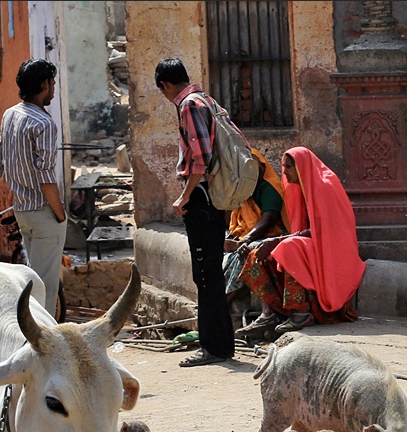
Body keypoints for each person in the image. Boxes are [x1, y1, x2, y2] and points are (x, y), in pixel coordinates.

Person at [154, 57, 236, 367]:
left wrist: (183, 198)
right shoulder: (207, 100)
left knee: (206, 275)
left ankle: (213, 347)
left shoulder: (188, 105)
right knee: (211, 273)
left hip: (201, 199)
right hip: (213, 198)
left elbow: (200, 160)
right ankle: (220, 345)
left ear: (165, 85)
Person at [235, 147, 365, 338]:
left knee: (289, 248)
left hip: (332, 251)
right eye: (283, 167)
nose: (284, 172)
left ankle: (301, 313)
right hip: (311, 245)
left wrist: (278, 240)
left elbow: (323, 232)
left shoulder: (325, 186)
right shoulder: (297, 190)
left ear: (301, 167)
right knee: (256, 251)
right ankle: (268, 314)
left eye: (288, 167)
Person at [0, 59, 66, 318]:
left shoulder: (10, 114)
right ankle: (42, 346)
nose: (54, 89)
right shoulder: (44, 124)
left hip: (22, 209)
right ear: (43, 84)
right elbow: (46, 178)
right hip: (43, 211)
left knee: (32, 280)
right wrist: (60, 216)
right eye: (52, 83)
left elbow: (1, 164)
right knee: (44, 290)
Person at [223, 148, 289, 314]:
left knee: (244, 254)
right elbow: (232, 215)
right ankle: (218, 296)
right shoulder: (243, 190)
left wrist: (245, 241)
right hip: (247, 235)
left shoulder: (268, 188)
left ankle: (226, 301)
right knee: (224, 256)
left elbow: (268, 220)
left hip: (271, 234)